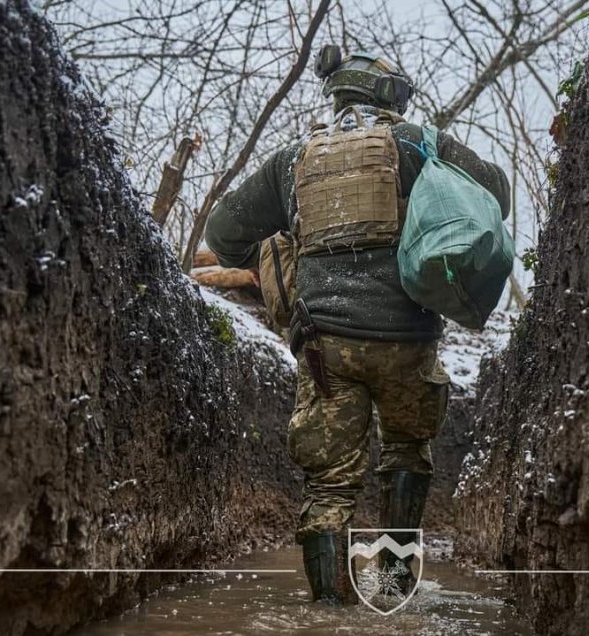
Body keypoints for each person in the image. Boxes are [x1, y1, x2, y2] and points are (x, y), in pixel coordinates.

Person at [205, 47, 510, 606]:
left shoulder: (291, 159)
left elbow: (224, 233)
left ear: (339, 93)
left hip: (326, 346)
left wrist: (284, 252)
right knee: (406, 453)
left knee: (327, 483)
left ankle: (329, 612)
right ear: (392, 96)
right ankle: (393, 594)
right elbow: (498, 195)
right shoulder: (418, 142)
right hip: (408, 340)